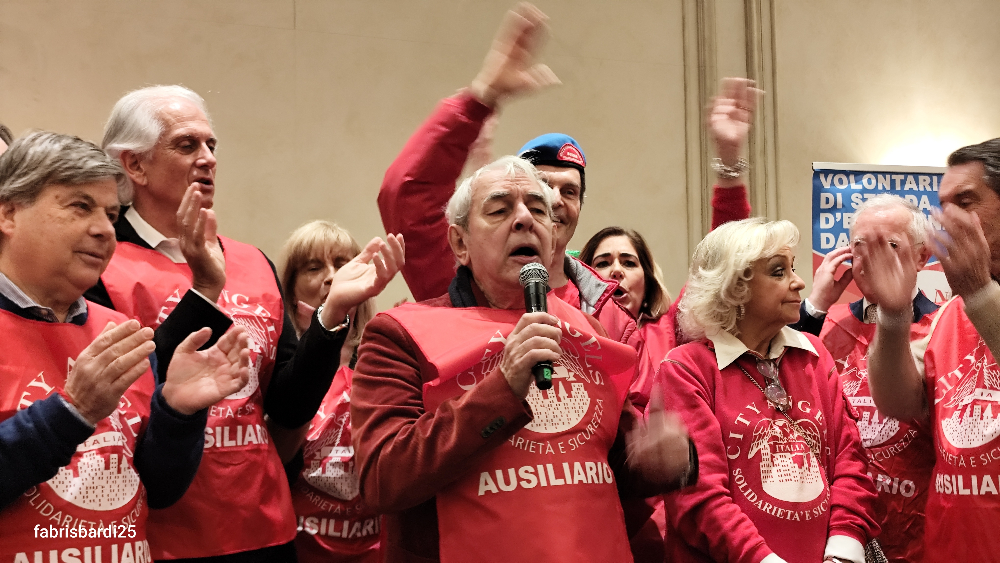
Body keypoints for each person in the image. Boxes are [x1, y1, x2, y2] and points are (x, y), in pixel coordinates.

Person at [88, 84, 403, 562]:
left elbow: (288, 404)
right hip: (162, 530)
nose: (208, 158)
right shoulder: (102, 264)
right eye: (186, 145)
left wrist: (332, 314)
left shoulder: (252, 261)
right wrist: (205, 291)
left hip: (264, 524)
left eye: (211, 145)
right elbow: (134, 397)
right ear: (135, 165)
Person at [352, 156, 695, 563]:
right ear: (460, 243)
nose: (523, 220)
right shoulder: (400, 334)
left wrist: (661, 462)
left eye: (537, 209)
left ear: (552, 236)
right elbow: (383, 479)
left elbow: (611, 462)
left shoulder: (588, 329)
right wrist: (503, 387)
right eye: (499, 209)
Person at [378, 3, 755, 341]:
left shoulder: (614, 316)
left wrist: (729, 164)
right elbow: (407, 195)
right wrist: (480, 100)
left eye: (570, 191)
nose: (556, 200)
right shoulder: (465, 283)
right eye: (540, 189)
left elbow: (718, 280)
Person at [0, 131, 251, 561]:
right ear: (9, 213)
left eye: (111, 213)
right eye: (80, 206)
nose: (103, 230)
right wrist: (70, 412)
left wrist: (178, 414)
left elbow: (160, 490)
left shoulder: (121, 331)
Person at [658, 217, 879, 563]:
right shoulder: (686, 368)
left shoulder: (813, 354)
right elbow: (698, 497)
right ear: (734, 287)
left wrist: (844, 548)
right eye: (779, 272)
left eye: (792, 268)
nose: (800, 282)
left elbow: (851, 463)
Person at [864, 138, 1000, 562]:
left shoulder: (974, 299)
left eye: (966, 200)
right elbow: (898, 403)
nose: (949, 219)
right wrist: (893, 315)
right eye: (943, 205)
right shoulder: (951, 313)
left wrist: (980, 295)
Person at [790, 194, 937, 562]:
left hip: (919, 532)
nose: (871, 258)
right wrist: (814, 308)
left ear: (922, 256)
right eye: (859, 246)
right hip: (836, 531)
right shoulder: (827, 323)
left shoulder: (944, 326)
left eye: (890, 245)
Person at [276, 220, 403, 563]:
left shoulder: (388, 354)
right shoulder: (275, 365)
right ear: (289, 288)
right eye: (314, 267)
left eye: (343, 264)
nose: (331, 277)